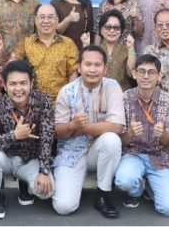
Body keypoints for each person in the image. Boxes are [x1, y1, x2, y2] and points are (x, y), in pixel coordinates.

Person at [52, 46, 126, 217]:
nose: (92, 70)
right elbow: (57, 132)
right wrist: (72, 125)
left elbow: (117, 126)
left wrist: (81, 127)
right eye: (88, 64)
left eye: (97, 65)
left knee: (112, 140)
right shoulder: (67, 91)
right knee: (63, 207)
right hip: (71, 152)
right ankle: (71, 183)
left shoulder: (112, 87)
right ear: (79, 67)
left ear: (105, 69)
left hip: (98, 149)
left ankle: (102, 195)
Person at [0, 61, 56, 219]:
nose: (18, 89)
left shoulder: (43, 100)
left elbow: (47, 137)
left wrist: (44, 171)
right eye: (13, 84)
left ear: (31, 83)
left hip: (30, 159)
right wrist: (14, 135)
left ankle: (24, 183)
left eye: (23, 83)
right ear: (4, 85)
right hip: (6, 158)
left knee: (46, 193)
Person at [115, 55, 169, 216]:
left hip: (159, 156)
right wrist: (129, 133)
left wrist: (163, 133)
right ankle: (135, 192)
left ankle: (151, 186)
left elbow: (168, 142)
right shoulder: (125, 98)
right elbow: (121, 141)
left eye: (151, 72)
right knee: (124, 181)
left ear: (159, 76)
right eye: (141, 71)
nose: (145, 76)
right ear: (134, 73)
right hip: (133, 153)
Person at [10, 3, 80, 101]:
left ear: (57, 20)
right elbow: (12, 65)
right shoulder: (26, 43)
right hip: (32, 102)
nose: (46, 21)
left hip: (60, 102)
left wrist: (70, 100)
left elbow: (73, 73)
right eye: (42, 17)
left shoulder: (68, 44)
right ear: (35, 20)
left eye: (50, 17)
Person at [84, 10, 137, 91]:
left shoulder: (127, 49)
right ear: (101, 30)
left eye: (116, 28)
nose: (112, 31)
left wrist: (131, 49)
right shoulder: (95, 51)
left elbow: (130, 74)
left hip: (121, 95)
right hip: (97, 95)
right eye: (108, 27)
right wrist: (85, 47)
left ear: (121, 31)